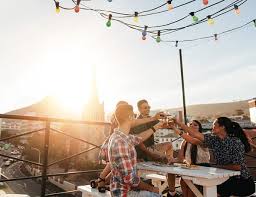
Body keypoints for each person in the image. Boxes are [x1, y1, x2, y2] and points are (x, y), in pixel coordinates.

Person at [172, 117, 255, 197]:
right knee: (194, 183)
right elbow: (193, 136)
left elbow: (237, 167)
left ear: (222, 127)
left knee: (205, 187)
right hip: (223, 178)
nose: (212, 127)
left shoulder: (235, 142)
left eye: (214, 125)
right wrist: (176, 124)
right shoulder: (214, 140)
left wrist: (214, 167)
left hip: (242, 182)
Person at [95, 101, 165, 192]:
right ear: (130, 117)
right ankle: (102, 179)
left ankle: (102, 179)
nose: (136, 118)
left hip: (120, 187)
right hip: (125, 192)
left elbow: (139, 138)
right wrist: (152, 189)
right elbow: (130, 180)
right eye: (134, 115)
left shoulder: (121, 136)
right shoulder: (121, 143)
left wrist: (156, 126)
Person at [168, 120, 210, 197]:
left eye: (195, 125)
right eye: (190, 124)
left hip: (203, 170)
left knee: (188, 182)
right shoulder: (184, 142)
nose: (192, 126)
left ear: (199, 129)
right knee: (181, 179)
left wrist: (174, 127)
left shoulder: (202, 140)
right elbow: (180, 159)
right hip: (190, 170)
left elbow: (192, 140)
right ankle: (172, 193)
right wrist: (172, 159)